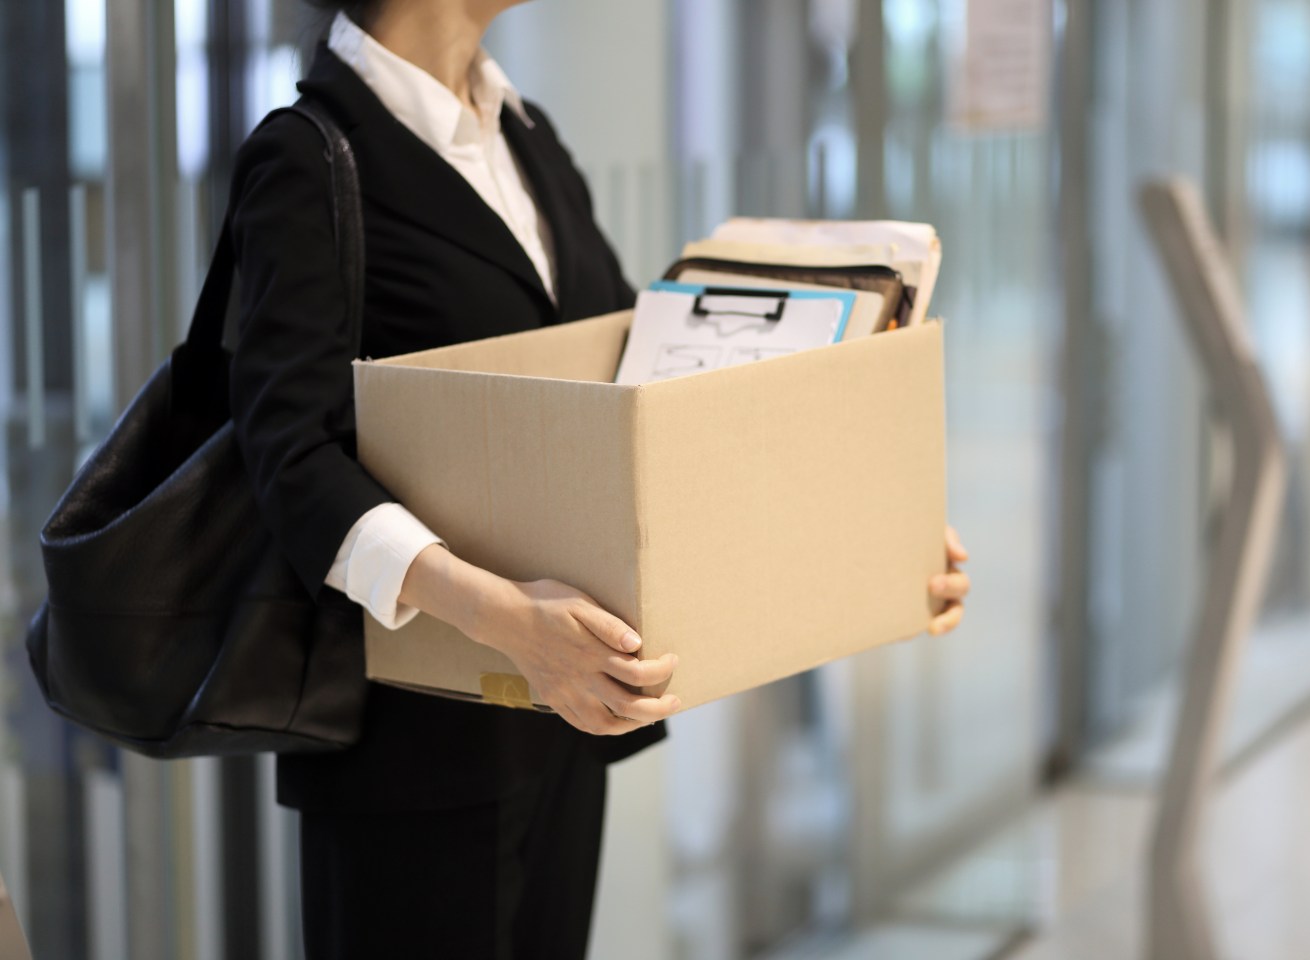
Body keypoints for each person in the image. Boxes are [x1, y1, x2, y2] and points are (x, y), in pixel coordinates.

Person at [226, 1, 973, 956]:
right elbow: (288, 457)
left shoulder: (524, 140)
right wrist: (507, 622)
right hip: (411, 743)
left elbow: (649, 393)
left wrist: (875, 537)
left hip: (566, 711)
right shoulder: (308, 157)